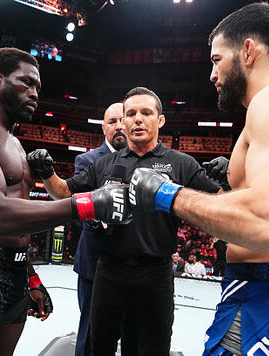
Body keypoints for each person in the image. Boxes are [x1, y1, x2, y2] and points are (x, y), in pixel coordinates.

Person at [28, 86, 221, 356]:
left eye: (146, 112)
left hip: (156, 273)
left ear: (160, 120)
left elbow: (220, 201)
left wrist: (227, 177)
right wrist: (47, 171)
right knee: (100, 346)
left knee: (153, 348)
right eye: (131, 113)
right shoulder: (104, 164)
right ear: (124, 121)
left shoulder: (181, 163)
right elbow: (63, 192)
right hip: (109, 270)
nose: (138, 118)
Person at [128, 3, 269, 355]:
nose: (212, 73)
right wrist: (229, 193)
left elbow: (263, 220)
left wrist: (167, 194)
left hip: (257, 297)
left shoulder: (265, 104)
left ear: (248, 51)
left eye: (216, 59)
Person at [0, 47, 129, 356]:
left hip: (14, 272)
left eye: (38, 86)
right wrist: (89, 203)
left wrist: (31, 277)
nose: (35, 92)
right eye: (26, 82)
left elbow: (18, 229)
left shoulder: (14, 143)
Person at [72, 103, 128, 356]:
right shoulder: (86, 160)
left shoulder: (142, 160)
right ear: (104, 127)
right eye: (112, 121)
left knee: (130, 331)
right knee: (91, 332)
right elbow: (78, 205)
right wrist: (101, 219)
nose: (119, 125)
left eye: (123, 120)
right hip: (95, 261)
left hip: (133, 263)